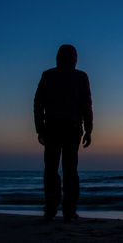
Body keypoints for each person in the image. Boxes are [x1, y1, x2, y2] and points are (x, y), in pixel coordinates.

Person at [34, 44, 93, 222]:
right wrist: (89, 130)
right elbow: (87, 106)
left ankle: (52, 208)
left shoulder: (49, 76)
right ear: (74, 59)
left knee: (52, 170)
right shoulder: (79, 77)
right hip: (69, 128)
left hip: (55, 128)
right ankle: (67, 210)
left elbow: (38, 104)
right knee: (69, 170)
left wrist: (40, 128)